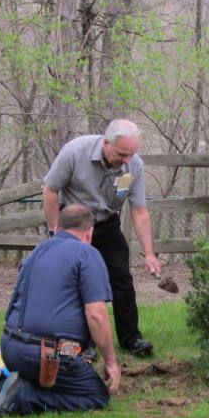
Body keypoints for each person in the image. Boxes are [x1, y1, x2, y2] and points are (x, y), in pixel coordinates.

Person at [0, 204, 120, 418]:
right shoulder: (87, 253)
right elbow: (96, 314)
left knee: (68, 363)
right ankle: (22, 397)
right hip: (48, 352)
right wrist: (111, 361)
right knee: (95, 395)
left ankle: (8, 385)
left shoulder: (37, 251)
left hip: (9, 349)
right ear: (89, 232)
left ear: (58, 227)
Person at [42, 119, 160, 357]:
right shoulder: (75, 152)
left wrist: (149, 254)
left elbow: (138, 210)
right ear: (106, 143)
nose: (127, 160)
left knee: (121, 279)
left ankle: (131, 339)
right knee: (76, 285)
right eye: (122, 154)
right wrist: (56, 231)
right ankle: (84, 344)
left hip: (106, 224)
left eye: (131, 154)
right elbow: (50, 189)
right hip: (73, 224)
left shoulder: (132, 166)